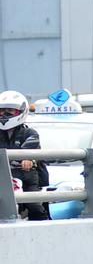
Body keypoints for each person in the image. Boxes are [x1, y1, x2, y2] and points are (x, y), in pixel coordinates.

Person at [0, 90, 50, 220]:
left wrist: (27, 159)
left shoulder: (30, 133)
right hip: (2, 179)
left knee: (35, 206)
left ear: (20, 112)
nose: (4, 114)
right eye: (1, 110)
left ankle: (43, 229)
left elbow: (29, 151)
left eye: (10, 110)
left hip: (26, 179)